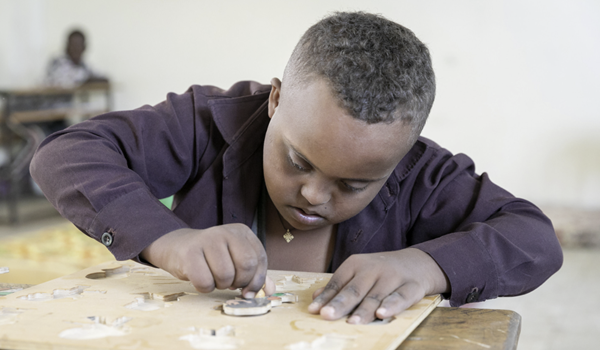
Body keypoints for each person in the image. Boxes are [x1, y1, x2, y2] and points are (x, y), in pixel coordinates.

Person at [30, 12, 562, 324]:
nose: (312, 194)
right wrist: (168, 238)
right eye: (297, 160)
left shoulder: (422, 174)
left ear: (403, 155)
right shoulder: (209, 121)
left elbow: (534, 237)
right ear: (276, 101)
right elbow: (65, 153)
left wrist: (427, 265)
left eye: (354, 184)